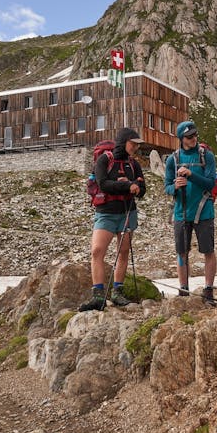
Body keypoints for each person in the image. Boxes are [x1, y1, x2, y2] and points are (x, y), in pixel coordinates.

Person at [78, 127, 146, 311]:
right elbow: (103, 184)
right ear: (124, 142)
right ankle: (98, 296)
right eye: (133, 144)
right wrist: (126, 186)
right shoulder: (104, 160)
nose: (135, 148)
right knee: (97, 251)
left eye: (137, 145)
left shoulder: (134, 164)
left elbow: (143, 189)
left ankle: (117, 293)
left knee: (123, 252)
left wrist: (137, 188)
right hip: (106, 212)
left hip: (128, 213)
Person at [165, 120, 217, 303]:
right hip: (181, 212)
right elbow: (167, 187)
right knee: (182, 252)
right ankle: (183, 289)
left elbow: (211, 183)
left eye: (195, 135)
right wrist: (175, 187)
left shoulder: (206, 156)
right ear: (181, 138)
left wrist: (191, 175)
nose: (194, 138)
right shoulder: (173, 159)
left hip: (204, 211)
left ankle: (208, 290)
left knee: (208, 251)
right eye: (189, 137)